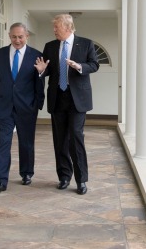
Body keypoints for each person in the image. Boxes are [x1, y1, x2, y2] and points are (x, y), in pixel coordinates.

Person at [35, 14, 99, 195]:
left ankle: (81, 180)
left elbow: (94, 65)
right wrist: (42, 71)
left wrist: (79, 66)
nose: (54, 30)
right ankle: (64, 176)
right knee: (60, 139)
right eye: (54, 28)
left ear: (68, 27)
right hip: (57, 98)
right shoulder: (50, 46)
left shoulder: (86, 44)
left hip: (78, 99)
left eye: (57, 27)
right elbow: (47, 69)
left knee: (76, 137)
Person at [0, 23, 45, 193]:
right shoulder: (0, 54)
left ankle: (26, 173)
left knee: (26, 142)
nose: (17, 40)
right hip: (4, 106)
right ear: (9, 36)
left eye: (20, 37)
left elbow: (39, 84)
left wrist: (38, 104)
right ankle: (1, 180)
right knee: (4, 142)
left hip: (27, 107)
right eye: (14, 37)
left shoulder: (37, 55)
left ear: (27, 36)